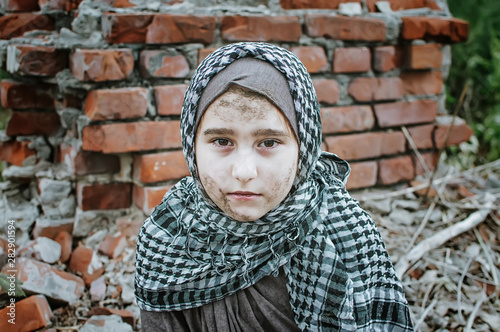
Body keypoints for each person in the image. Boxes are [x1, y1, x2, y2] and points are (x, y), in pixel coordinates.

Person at [135, 42, 414, 331]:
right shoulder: (168, 238)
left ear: (303, 149)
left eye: (269, 143)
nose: (244, 171)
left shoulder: (344, 234)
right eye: (221, 141)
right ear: (192, 146)